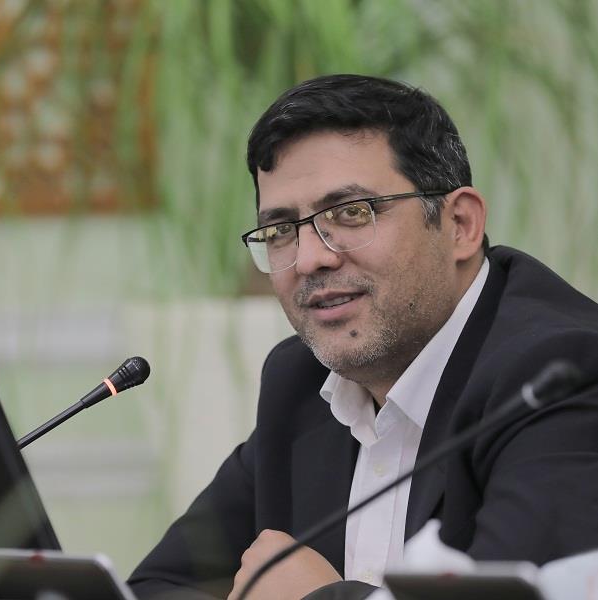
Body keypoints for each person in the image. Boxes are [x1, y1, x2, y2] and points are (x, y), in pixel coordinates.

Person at [127, 74, 598, 600]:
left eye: (351, 213)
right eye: (280, 230)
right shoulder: (301, 381)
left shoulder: (563, 375)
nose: (309, 259)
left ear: (460, 224)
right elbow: (158, 586)